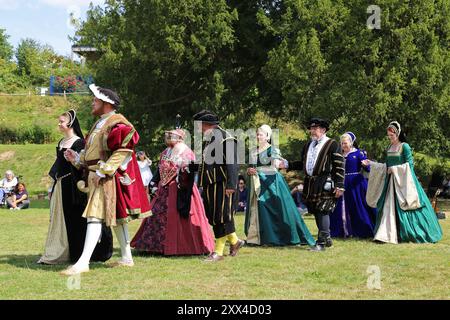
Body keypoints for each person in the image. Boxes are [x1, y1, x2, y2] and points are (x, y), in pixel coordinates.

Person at [61, 84, 151, 275]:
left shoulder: (118, 123)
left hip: (105, 177)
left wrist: (105, 170)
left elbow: (124, 151)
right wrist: (77, 159)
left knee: (94, 216)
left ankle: (83, 262)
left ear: (106, 103)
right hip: (96, 175)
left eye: (95, 100)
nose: (92, 103)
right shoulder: (100, 123)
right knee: (118, 218)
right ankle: (127, 258)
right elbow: (91, 152)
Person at [37, 110, 113, 265]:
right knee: (62, 219)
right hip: (61, 184)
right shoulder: (61, 142)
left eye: (62, 122)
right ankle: (62, 250)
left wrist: (74, 160)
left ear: (70, 123)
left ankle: (81, 253)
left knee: (77, 219)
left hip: (74, 186)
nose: (59, 124)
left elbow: (83, 166)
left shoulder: (79, 142)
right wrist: (53, 186)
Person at [131, 127, 215, 255]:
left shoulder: (187, 152)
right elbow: (160, 169)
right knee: (156, 215)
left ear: (180, 138)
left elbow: (192, 170)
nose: (168, 138)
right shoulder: (165, 152)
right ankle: (155, 247)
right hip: (163, 190)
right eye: (168, 136)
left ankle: (184, 247)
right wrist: (153, 183)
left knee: (181, 217)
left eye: (171, 136)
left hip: (181, 189)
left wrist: (183, 169)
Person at [363, 121, 443, 244]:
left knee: (408, 205)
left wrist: (395, 169)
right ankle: (384, 235)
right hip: (390, 183)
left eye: (392, 136)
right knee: (386, 207)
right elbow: (386, 165)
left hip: (403, 182)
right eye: (388, 136)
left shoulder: (404, 146)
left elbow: (410, 165)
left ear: (398, 133)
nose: (390, 138)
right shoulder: (389, 147)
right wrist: (372, 163)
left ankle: (407, 234)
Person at [244, 125, 315, 247]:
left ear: (267, 136)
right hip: (257, 183)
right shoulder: (253, 151)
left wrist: (270, 166)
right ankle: (258, 238)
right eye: (257, 134)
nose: (258, 136)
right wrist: (249, 171)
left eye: (261, 134)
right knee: (259, 209)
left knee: (276, 209)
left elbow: (277, 165)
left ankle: (279, 237)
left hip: (271, 183)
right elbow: (251, 166)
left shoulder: (272, 150)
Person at [189, 110, 245, 262]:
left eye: (199, 126)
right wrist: (188, 166)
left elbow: (232, 164)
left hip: (222, 184)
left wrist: (231, 185)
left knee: (222, 217)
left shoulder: (226, 138)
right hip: (211, 185)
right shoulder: (210, 139)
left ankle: (218, 252)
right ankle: (235, 241)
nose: (199, 129)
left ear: (206, 125)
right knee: (216, 217)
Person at [283, 118, 345, 251]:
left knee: (323, 210)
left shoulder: (332, 144)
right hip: (311, 182)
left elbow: (339, 165)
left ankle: (321, 243)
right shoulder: (308, 145)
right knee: (316, 211)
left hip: (325, 181)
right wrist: (288, 164)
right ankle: (327, 238)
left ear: (323, 130)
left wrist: (339, 185)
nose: (312, 131)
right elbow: (302, 163)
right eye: (311, 128)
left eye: (315, 128)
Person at [330, 132, 377, 238]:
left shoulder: (359, 153)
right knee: (339, 208)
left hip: (356, 184)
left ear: (351, 143)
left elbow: (368, 168)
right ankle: (341, 231)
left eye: (345, 143)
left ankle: (362, 230)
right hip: (342, 183)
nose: (343, 145)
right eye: (342, 143)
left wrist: (366, 165)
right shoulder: (339, 155)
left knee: (358, 207)